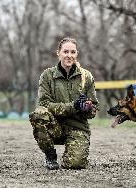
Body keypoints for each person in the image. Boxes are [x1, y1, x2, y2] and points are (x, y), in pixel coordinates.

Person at [29, 37, 99, 170]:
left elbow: (94, 109)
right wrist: (73, 106)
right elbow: (44, 104)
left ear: (76, 54)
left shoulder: (87, 77)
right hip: (55, 125)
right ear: (58, 53)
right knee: (38, 114)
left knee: (74, 165)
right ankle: (50, 156)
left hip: (78, 127)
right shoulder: (47, 76)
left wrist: (87, 108)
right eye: (65, 52)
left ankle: (72, 153)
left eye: (73, 52)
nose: (69, 55)